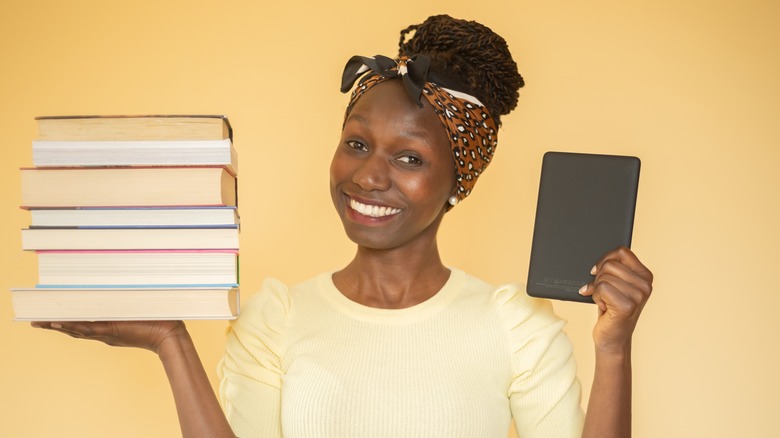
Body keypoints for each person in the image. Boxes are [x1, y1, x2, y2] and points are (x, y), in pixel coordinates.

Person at [33, 14, 653, 438]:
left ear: (457, 182)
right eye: (356, 144)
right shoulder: (276, 318)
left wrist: (614, 346)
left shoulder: (513, 326)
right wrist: (171, 340)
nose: (370, 176)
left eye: (410, 158)